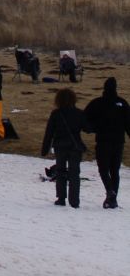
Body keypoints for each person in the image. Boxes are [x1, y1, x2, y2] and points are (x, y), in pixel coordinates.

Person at [81, 77, 130, 208]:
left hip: (103, 141)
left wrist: (91, 129)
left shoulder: (97, 103)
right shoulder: (122, 103)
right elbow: (128, 124)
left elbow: (84, 119)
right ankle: (113, 199)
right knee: (115, 170)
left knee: (103, 169)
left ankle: (110, 192)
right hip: (119, 142)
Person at [41, 88, 87, 208]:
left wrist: (44, 149)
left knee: (60, 172)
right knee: (74, 173)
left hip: (60, 146)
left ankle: (61, 198)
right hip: (75, 146)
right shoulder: (79, 113)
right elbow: (88, 128)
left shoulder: (56, 114)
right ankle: (74, 201)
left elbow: (49, 133)